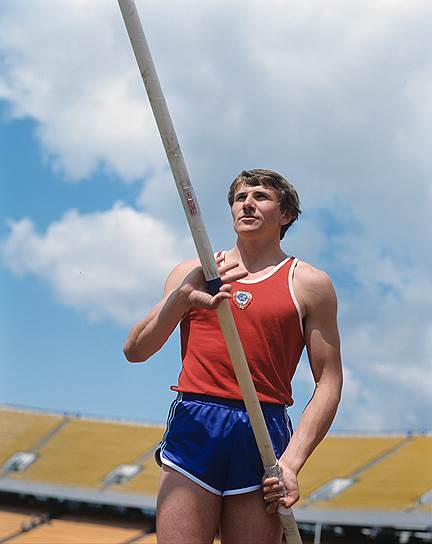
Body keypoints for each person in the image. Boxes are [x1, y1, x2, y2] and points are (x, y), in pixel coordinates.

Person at [124, 169, 343, 544]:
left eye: (261, 196)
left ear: (285, 214)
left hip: (262, 429)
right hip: (197, 421)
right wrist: (181, 298)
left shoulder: (308, 283)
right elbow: (136, 350)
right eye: (240, 197)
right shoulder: (194, 271)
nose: (248, 203)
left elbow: (329, 380)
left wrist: (290, 463)